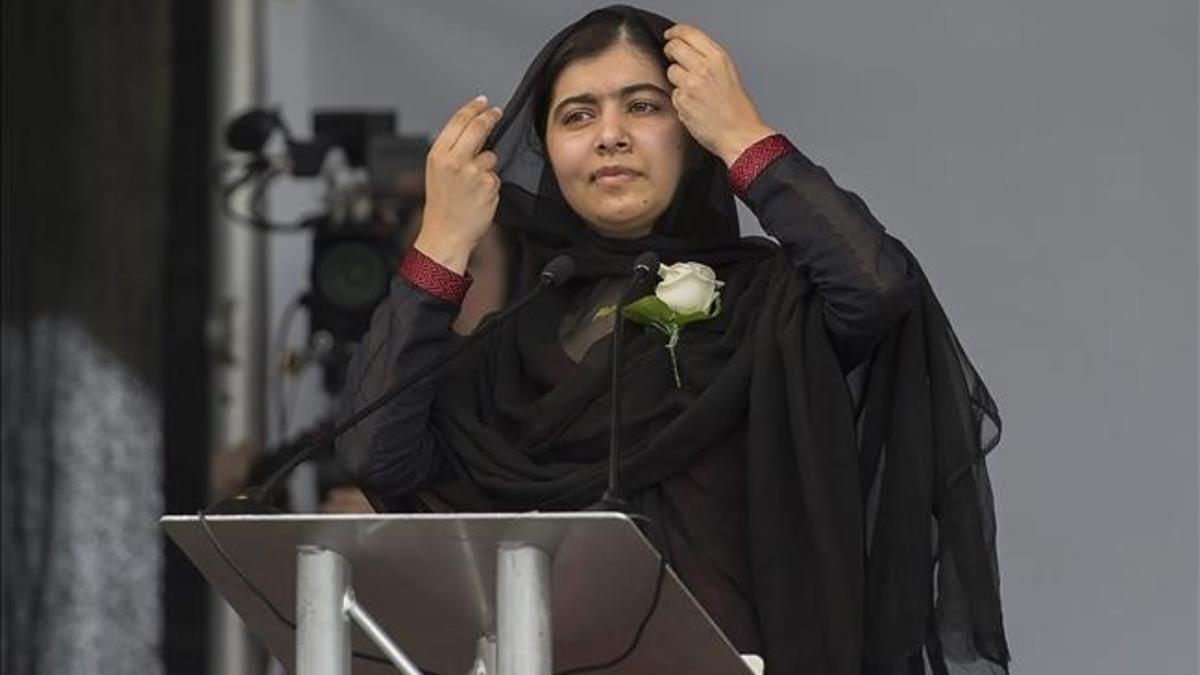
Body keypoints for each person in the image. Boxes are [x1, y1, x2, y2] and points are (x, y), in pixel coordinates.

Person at [336, 5, 1010, 674]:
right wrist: (443, 241)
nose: (610, 136)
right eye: (577, 115)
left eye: (644, 107)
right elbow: (375, 451)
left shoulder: (770, 301)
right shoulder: (515, 338)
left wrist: (745, 136)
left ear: (693, 131)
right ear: (545, 152)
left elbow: (878, 288)